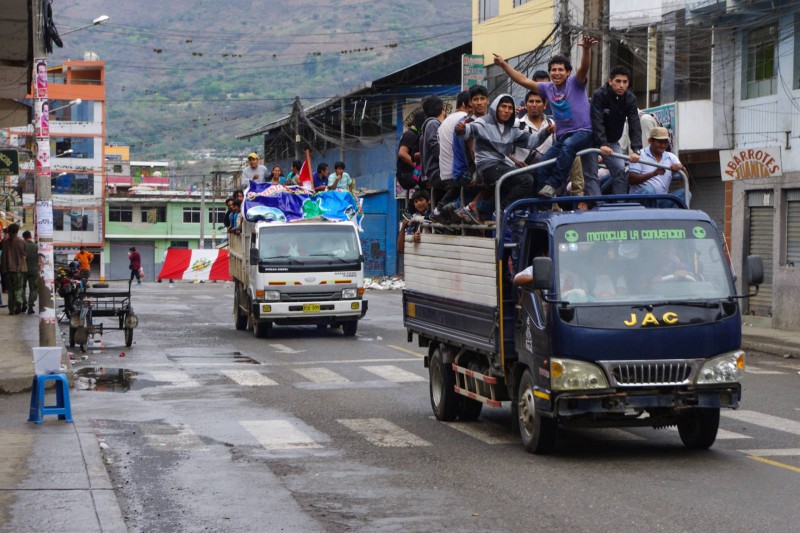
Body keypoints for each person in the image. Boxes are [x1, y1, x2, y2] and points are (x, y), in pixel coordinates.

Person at [493, 34, 600, 198]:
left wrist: (586, 49)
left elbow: (584, 68)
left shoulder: (575, 82)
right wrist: (503, 65)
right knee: (541, 166)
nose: (557, 73)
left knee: (575, 155)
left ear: (568, 72)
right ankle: (542, 202)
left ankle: (553, 184)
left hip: (584, 131)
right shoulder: (547, 88)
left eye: (560, 70)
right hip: (564, 136)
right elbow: (522, 80)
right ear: (550, 73)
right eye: (553, 70)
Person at [455, 93, 550, 210]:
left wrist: (546, 132)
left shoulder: (511, 128)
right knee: (526, 180)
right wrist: (461, 129)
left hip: (503, 166)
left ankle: (526, 211)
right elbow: (469, 130)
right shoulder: (484, 122)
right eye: (503, 107)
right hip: (488, 167)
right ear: (496, 108)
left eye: (510, 108)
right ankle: (504, 212)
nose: (506, 111)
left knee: (534, 175)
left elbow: (531, 141)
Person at [589, 66, 642, 195]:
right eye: (618, 81)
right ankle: (594, 203)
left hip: (612, 141)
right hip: (591, 139)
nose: (621, 85)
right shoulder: (599, 95)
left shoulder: (630, 98)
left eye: (625, 82)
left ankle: (621, 203)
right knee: (591, 173)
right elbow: (597, 120)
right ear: (610, 81)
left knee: (620, 171)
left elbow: (634, 123)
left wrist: (636, 149)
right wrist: (602, 143)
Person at [432, 90, 471, 222]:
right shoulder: (464, 119)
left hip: (445, 173)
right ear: (465, 104)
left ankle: (441, 210)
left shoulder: (446, 121)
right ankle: (449, 209)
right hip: (458, 172)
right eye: (473, 102)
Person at [628, 127, 689, 207]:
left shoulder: (671, 157)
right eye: (660, 142)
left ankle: (671, 215)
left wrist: (681, 168)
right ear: (650, 141)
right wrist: (653, 174)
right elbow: (631, 180)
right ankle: (653, 214)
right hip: (639, 202)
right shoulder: (639, 155)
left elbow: (685, 178)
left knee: (686, 193)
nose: (663, 145)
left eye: (665, 142)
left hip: (662, 200)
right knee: (649, 191)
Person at [0, 224, 27, 314]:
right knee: (18, 288)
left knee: (10, 290)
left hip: (7, 269)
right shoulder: (22, 242)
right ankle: (18, 300)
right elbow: (24, 254)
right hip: (19, 269)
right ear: (18, 231)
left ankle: (11, 310)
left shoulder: (4, 242)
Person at [396, 109, 426, 191]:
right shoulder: (410, 134)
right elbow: (402, 153)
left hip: (410, 175)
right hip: (406, 176)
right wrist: (416, 166)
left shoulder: (416, 135)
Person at [397, 188, 431, 254]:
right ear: (414, 205)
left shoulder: (433, 214)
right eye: (416, 201)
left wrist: (415, 219)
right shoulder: (413, 216)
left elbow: (429, 220)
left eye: (421, 200)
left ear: (428, 201)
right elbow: (405, 238)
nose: (419, 203)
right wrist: (413, 237)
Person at [22, 230, 38, 314]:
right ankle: (30, 306)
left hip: (23, 270)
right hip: (34, 270)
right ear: (30, 236)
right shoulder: (36, 246)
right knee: (33, 289)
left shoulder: (22, 245)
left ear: (23, 237)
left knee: (22, 288)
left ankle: (23, 304)